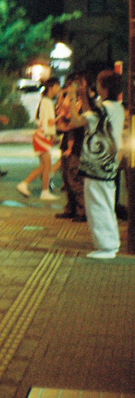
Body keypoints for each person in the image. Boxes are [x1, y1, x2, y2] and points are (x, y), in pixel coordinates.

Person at [69, 70, 124, 259]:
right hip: (108, 164)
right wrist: (84, 98)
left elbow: (77, 121)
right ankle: (111, 242)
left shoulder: (103, 109)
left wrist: (72, 97)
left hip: (97, 164)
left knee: (97, 206)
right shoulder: (116, 107)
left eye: (99, 83)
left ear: (105, 87)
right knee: (106, 204)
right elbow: (92, 119)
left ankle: (105, 247)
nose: (97, 86)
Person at [17, 78, 61, 201]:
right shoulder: (47, 102)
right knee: (46, 165)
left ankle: (26, 184)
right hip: (43, 136)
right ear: (51, 87)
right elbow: (50, 121)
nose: (59, 89)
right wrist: (52, 135)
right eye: (58, 86)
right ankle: (42, 191)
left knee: (44, 165)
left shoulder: (45, 101)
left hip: (40, 136)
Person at [56, 73, 88, 222]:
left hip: (78, 146)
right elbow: (61, 121)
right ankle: (71, 208)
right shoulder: (66, 100)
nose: (70, 89)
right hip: (66, 144)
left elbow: (76, 124)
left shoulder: (85, 103)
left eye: (73, 85)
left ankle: (82, 210)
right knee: (66, 178)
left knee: (75, 177)